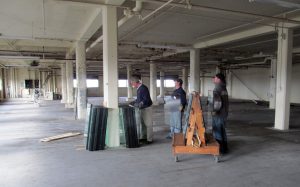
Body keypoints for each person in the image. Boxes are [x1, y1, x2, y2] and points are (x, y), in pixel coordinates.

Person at [130, 75, 153, 144]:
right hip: (142, 108)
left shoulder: (143, 88)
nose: (131, 84)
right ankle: (143, 137)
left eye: (132, 83)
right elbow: (140, 98)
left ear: (135, 82)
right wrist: (134, 102)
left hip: (146, 108)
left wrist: (140, 104)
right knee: (143, 124)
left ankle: (149, 139)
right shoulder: (139, 89)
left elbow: (146, 99)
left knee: (148, 124)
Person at [212, 73, 229, 154]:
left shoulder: (217, 88)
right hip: (224, 112)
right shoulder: (224, 87)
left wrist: (214, 111)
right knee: (222, 130)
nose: (214, 79)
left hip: (219, 113)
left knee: (217, 130)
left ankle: (220, 149)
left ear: (219, 79)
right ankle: (225, 148)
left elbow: (217, 102)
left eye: (215, 78)